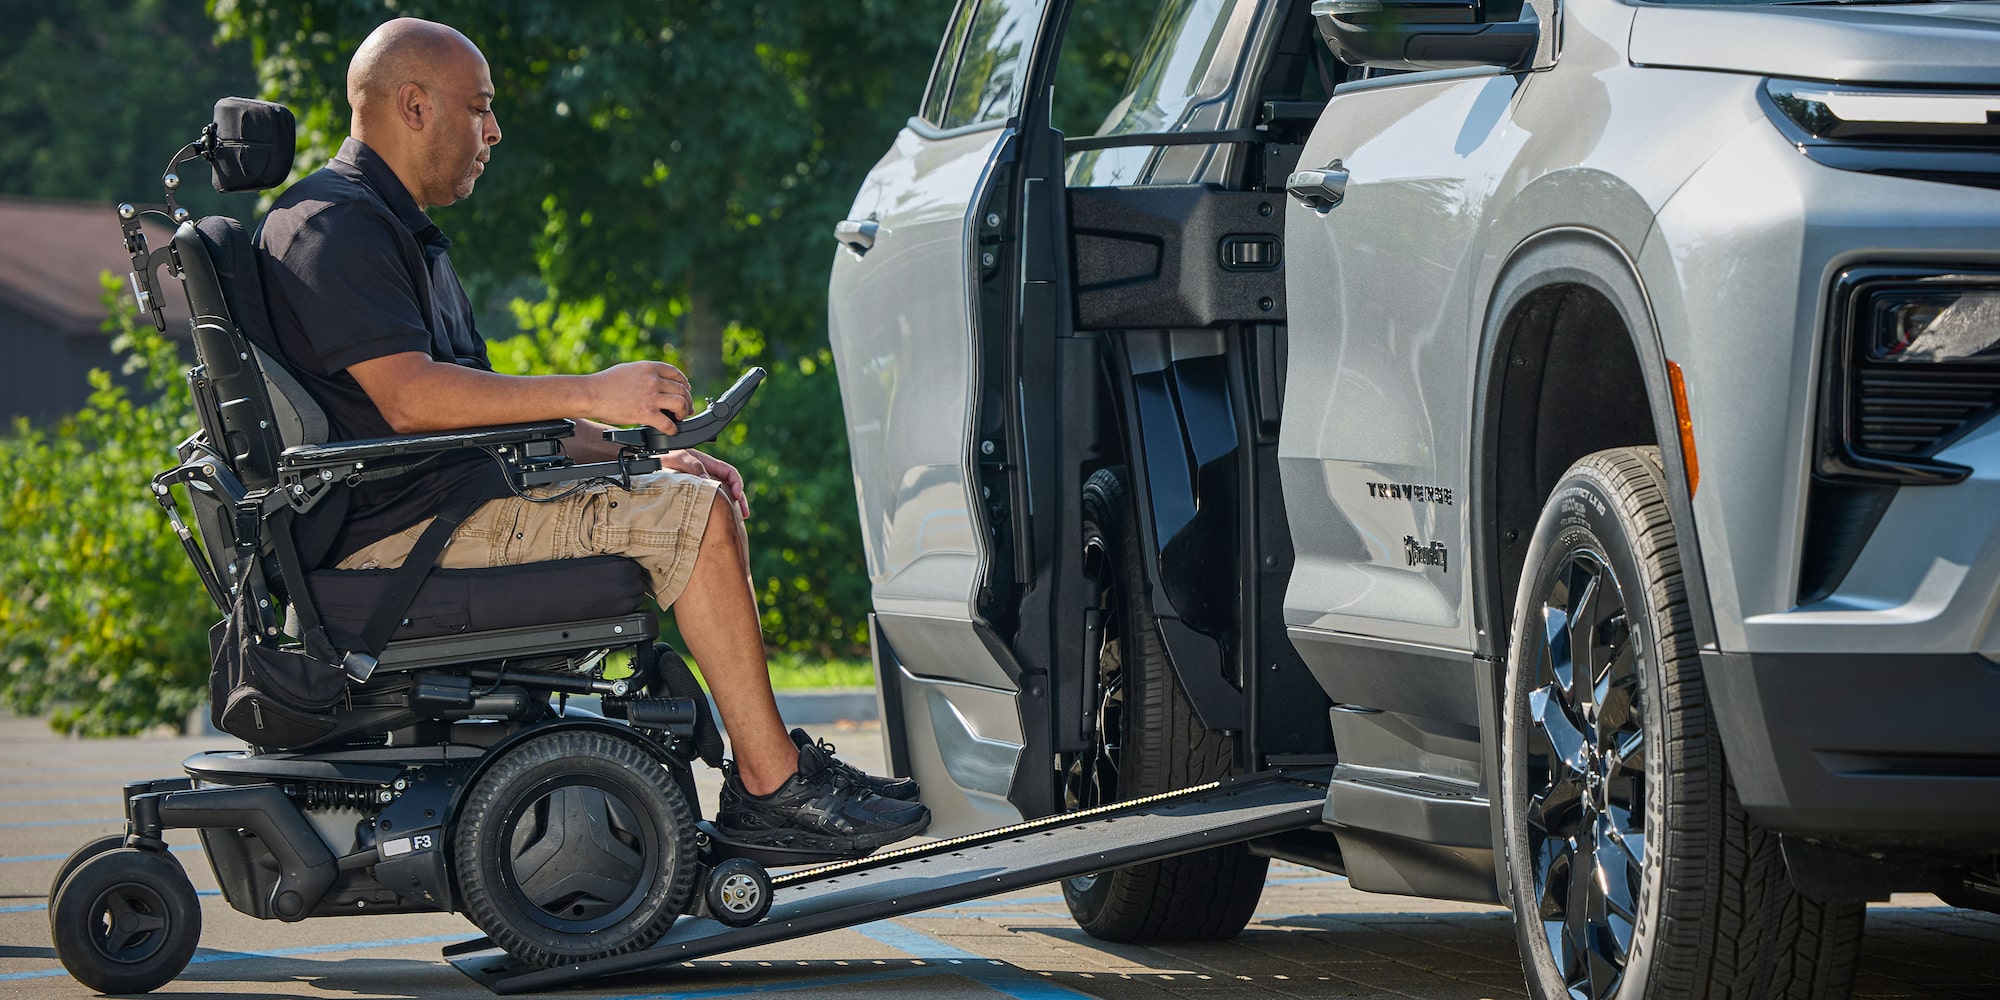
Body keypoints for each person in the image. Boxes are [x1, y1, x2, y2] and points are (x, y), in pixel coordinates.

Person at [255, 16, 927, 858]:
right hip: (402, 541)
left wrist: (629, 452)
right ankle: (771, 786)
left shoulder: (393, 229)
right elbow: (411, 402)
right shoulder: (332, 227)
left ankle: (773, 769)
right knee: (692, 518)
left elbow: (484, 414)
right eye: (480, 107)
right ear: (415, 105)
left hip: (445, 506)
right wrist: (595, 388)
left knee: (694, 491)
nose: (494, 129)